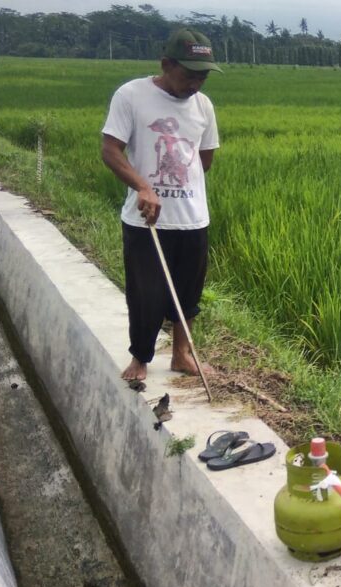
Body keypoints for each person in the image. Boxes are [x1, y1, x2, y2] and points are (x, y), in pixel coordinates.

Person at [101, 28, 222, 382]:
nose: (196, 84)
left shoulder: (203, 106)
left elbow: (205, 160)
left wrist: (177, 184)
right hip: (146, 221)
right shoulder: (131, 96)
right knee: (146, 294)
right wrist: (143, 186)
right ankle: (140, 358)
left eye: (202, 76)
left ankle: (182, 355)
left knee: (188, 294)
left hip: (193, 218)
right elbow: (110, 150)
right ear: (166, 64)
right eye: (189, 75)